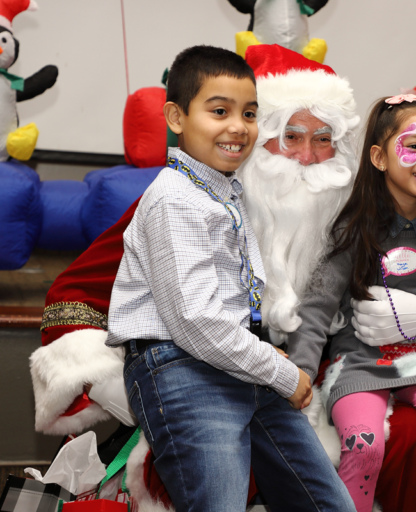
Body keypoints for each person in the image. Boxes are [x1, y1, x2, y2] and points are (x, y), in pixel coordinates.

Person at [31, 45, 416, 511]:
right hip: (202, 371)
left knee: (410, 430)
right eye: (290, 136)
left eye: (323, 138)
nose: (308, 158)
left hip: (308, 381)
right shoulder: (183, 200)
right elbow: (75, 296)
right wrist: (117, 380)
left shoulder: (354, 218)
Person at [102, 44, 354, 511]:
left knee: (324, 502)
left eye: (250, 113)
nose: (238, 126)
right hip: (182, 368)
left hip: (243, 366)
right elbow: (196, 321)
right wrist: (281, 371)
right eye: (219, 111)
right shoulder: (176, 199)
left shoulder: (224, 193)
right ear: (176, 118)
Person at [287, 95, 416, 512]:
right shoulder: (352, 231)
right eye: (413, 145)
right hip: (359, 364)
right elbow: (315, 309)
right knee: (364, 445)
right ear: (379, 158)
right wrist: (301, 371)